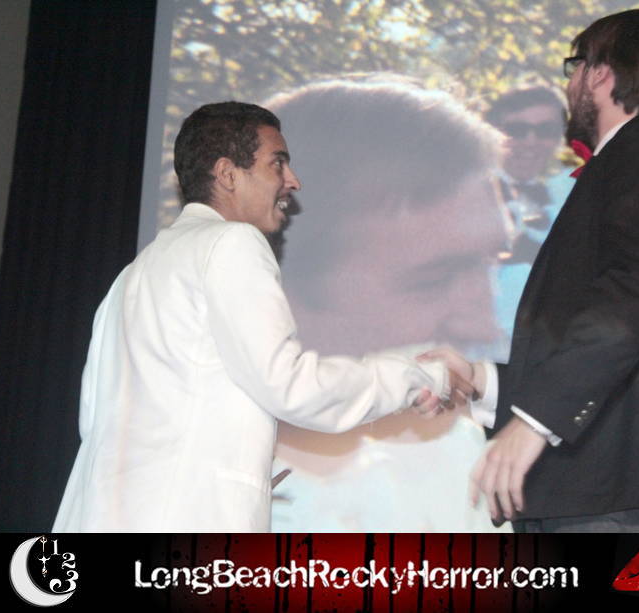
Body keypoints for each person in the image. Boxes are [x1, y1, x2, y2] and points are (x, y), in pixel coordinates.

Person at [52, 101, 473, 532]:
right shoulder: (231, 243)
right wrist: (417, 377)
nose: (293, 180)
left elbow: (95, 420)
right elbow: (290, 386)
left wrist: (238, 469)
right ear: (228, 174)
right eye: (278, 163)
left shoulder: (129, 277)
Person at [429, 8, 639, 532]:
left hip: (622, 500)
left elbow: (634, 296)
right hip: (611, 497)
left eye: (575, 67)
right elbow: (627, 343)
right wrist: (483, 380)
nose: (569, 85)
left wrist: (535, 422)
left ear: (600, 72)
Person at [261, 79, 512, 531]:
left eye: (491, 266)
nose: (485, 325)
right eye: (433, 280)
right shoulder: (191, 490)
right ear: (284, 297)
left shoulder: (477, 464)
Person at [484, 87, 570, 346]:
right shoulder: (465, 195)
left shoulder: (565, 198)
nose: (531, 141)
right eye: (517, 130)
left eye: (545, 130)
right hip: (480, 349)